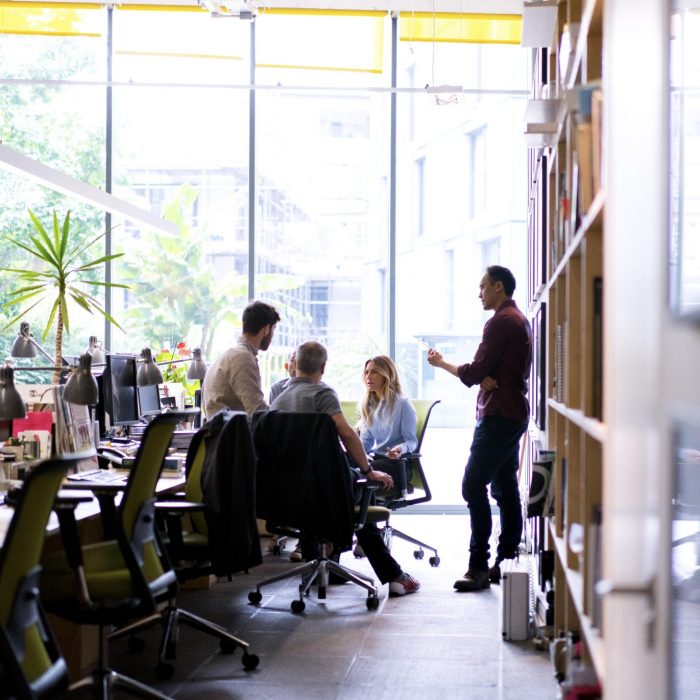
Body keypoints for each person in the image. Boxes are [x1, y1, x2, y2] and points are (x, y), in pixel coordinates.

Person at [271, 340, 421, 597]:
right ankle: (394, 576)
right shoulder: (322, 394)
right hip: (323, 486)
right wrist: (367, 470)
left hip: (290, 490)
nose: (369, 377)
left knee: (342, 504)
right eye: (367, 372)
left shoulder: (278, 399)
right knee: (357, 514)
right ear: (323, 367)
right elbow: (349, 435)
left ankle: (329, 567)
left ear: (294, 366)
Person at [427, 265, 532, 592]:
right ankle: (507, 559)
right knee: (503, 487)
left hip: (499, 414)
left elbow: (475, 371)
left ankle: (478, 566)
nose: (479, 293)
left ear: (498, 287)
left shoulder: (500, 322)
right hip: (511, 411)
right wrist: (484, 375)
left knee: (473, 485)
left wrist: (443, 364)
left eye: (483, 287)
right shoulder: (520, 320)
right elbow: (486, 372)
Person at [203, 300, 280, 419]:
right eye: (273, 329)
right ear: (266, 329)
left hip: (224, 433)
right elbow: (257, 411)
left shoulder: (231, 354)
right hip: (232, 435)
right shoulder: (242, 358)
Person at [358, 355, 418, 496]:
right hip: (377, 459)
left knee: (359, 472)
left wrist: (399, 449)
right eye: (366, 372)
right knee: (344, 467)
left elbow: (412, 441)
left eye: (374, 372)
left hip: (397, 465)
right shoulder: (369, 404)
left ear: (386, 375)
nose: (369, 377)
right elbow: (366, 442)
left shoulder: (403, 403)